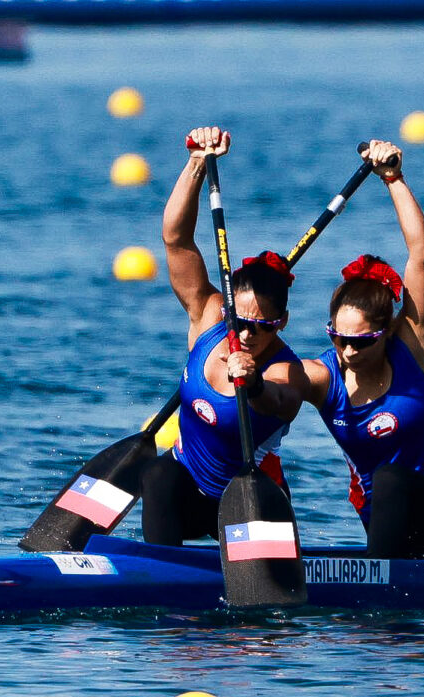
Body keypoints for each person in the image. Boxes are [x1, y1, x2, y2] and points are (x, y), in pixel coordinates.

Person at [302, 139, 424, 559]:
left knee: (391, 478)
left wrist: (393, 178)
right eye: (337, 337)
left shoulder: (415, 346)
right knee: (383, 485)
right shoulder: (324, 376)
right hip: (381, 521)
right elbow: (278, 384)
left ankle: (380, 580)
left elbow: (422, 255)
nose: (346, 350)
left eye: (359, 341)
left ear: (385, 332)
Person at [141, 126, 309, 547]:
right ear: (227, 308)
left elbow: (278, 402)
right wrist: (197, 161)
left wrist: (252, 383)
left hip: (253, 501)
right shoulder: (208, 314)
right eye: (241, 322)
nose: (248, 334)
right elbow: (175, 239)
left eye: (263, 327)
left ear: (282, 322)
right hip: (187, 494)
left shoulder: (289, 371)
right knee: (159, 473)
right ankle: (159, 582)